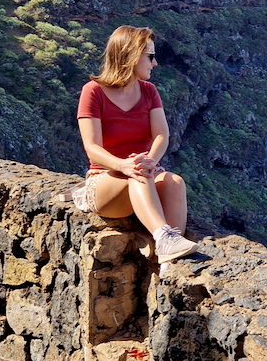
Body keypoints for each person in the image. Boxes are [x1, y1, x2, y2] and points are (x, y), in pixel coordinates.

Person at [73, 25, 199, 266]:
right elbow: (92, 148)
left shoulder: (149, 91)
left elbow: (162, 135)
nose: (155, 63)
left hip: (144, 173)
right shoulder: (93, 92)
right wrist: (125, 165)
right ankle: (163, 237)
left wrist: (150, 159)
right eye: (150, 56)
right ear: (131, 54)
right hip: (106, 180)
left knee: (174, 182)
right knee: (137, 175)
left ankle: (171, 258)